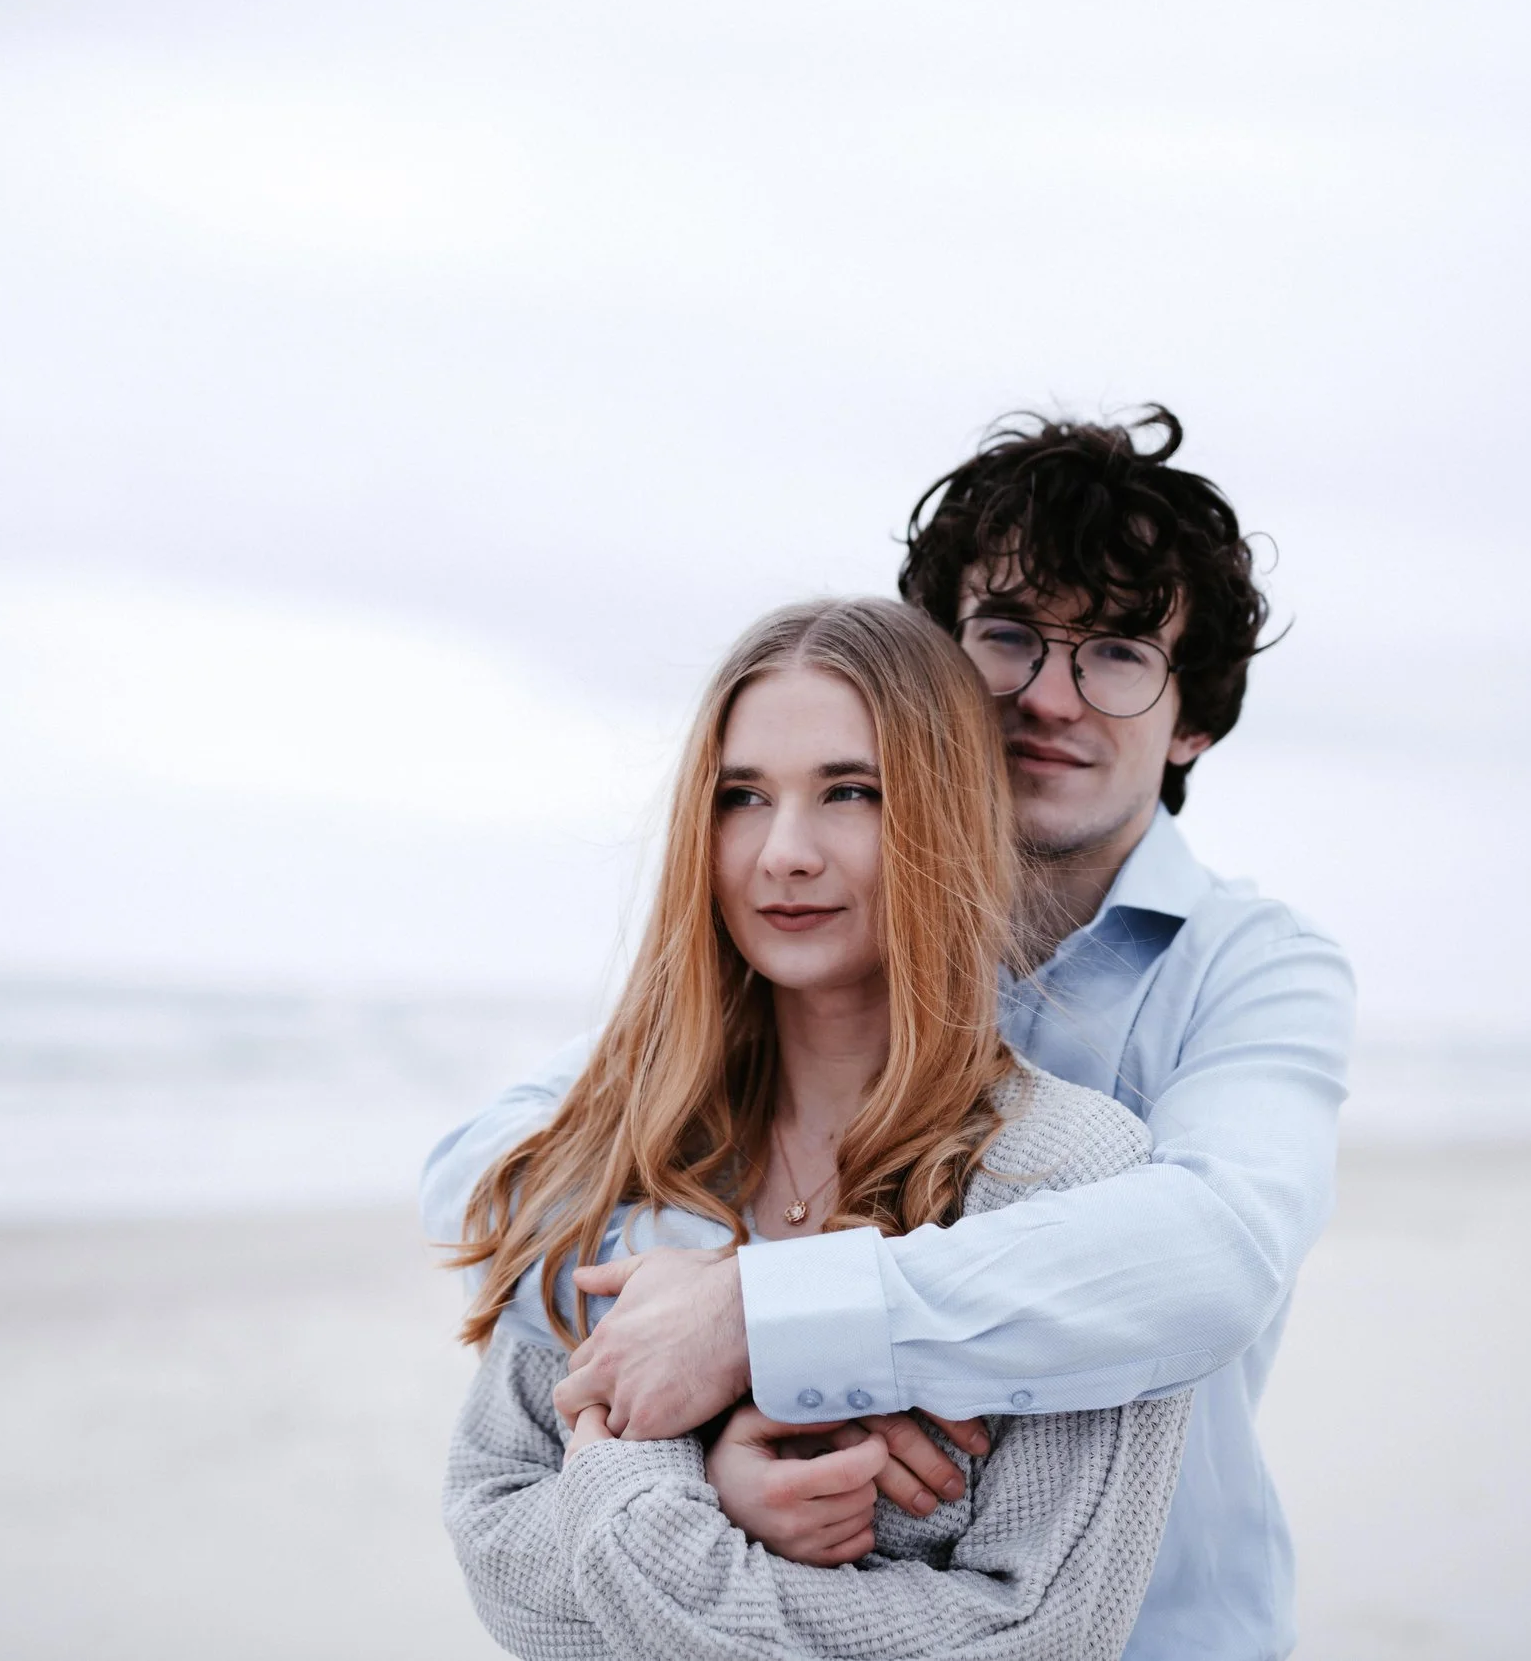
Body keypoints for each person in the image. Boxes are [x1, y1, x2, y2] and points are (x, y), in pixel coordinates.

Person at [425, 409, 1356, 1660]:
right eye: (1008, 635)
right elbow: (493, 1175)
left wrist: (764, 1321)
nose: (1050, 696)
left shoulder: (1248, 969)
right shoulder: (794, 972)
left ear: (1193, 717)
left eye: (1119, 653)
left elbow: (1211, 1254)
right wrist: (698, 1373)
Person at [442, 598, 1192, 1659]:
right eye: (742, 796)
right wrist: (707, 1486)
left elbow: (1037, 1633)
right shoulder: (631, 1138)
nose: (783, 852)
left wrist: (641, 1483)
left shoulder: (1068, 1174)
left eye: (850, 791)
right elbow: (493, 1539)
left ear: (946, 814)